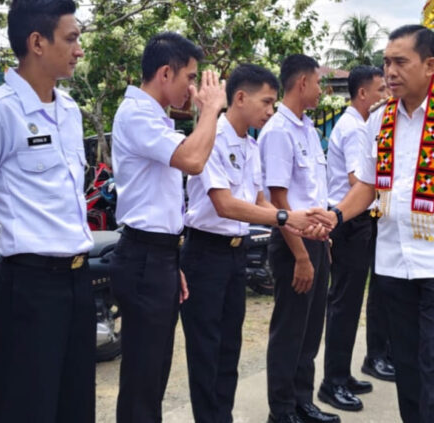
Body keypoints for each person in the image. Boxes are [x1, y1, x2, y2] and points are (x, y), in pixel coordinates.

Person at [312, 24, 434, 423]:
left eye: (400, 62)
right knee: (407, 366)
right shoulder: (379, 118)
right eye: (387, 62)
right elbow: (368, 185)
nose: (390, 71)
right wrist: (335, 215)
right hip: (393, 263)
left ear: (430, 65)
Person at [181, 63, 322, 423]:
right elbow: (225, 204)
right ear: (240, 98)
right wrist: (285, 218)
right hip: (205, 253)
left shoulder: (251, 145)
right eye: (267, 102)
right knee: (207, 352)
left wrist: (301, 224)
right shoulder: (212, 138)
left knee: (230, 349)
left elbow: (260, 200)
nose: (270, 110)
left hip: (235, 252)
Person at [0, 0, 95, 423]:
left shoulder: (69, 111)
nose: (78, 49)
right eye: (70, 38)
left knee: (75, 408)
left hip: (78, 281)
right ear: (37, 42)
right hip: (28, 289)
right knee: (24, 410)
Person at [110, 32, 227, 423]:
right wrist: (211, 110)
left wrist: (170, 260)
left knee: (155, 369)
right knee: (143, 377)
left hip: (158, 253)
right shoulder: (137, 114)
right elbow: (193, 160)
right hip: (143, 254)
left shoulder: (155, 116)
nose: (193, 88)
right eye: (189, 77)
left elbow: (160, 200)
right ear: (165, 73)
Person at [259, 54, 339, 423]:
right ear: (303, 82)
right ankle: (282, 410)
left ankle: (302, 401)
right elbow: (279, 201)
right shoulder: (279, 131)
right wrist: (302, 256)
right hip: (294, 244)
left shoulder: (307, 128)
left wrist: (322, 241)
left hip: (316, 240)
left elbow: (312, 193)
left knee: (310, 328)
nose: (322, 90)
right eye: (319, 82)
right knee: (290, 329)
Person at [320, 65, 390, 412]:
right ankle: (332, 382)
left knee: (350, 305)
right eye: (380, 90)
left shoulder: (359, 125)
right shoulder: (354, 129)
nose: (386, 96)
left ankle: (343, 374)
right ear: (363, 94)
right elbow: (356, 180)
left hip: (357, 220)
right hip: (348, 221)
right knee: (343, 305)